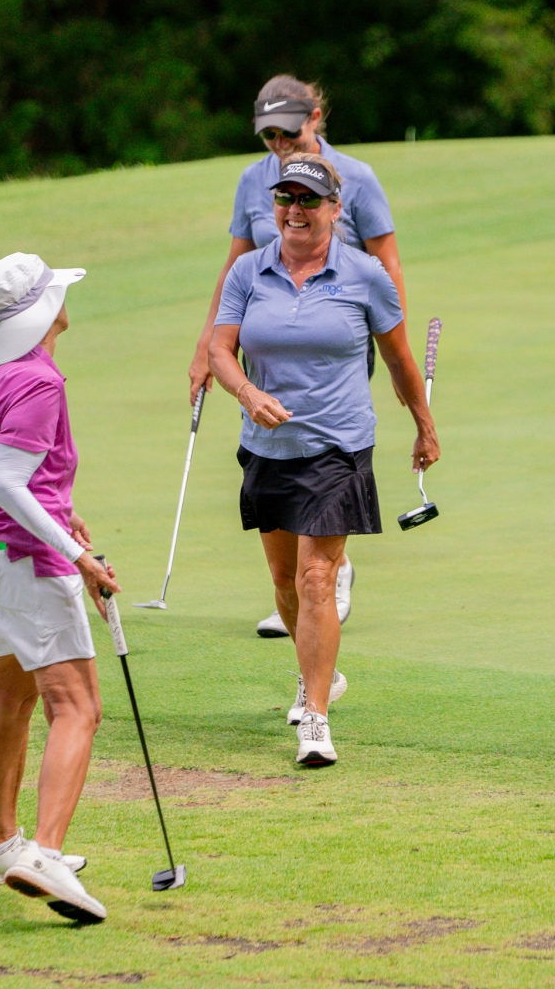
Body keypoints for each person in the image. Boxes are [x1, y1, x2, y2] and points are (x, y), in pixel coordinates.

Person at [208, 153, 439, 766]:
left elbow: (397, 357)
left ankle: (314, 717)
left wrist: (424, 426)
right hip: (267, 447)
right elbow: (220, 350)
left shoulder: (364, 274)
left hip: (338, 446)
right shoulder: (248, 272)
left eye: (309, 199)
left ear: (336, 209)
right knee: (285, 583)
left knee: (317, 577)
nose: (295, 209)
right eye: (285, 198)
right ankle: (319, 673)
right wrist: (247, 393)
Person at [189, 74, 407, 638]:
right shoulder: (252, 181)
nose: (280, 144)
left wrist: (393, 344)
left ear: (314, 118)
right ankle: (309, 578)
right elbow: (235, 266)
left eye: (288, 131)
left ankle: (325, 574)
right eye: (269, 136)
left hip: (338, 332)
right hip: (270, 329)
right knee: (280, 448)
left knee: (324, 452)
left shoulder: (356, 177)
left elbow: (387, 263)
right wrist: (209, 346)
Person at [0, 251, 120, 924]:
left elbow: (11, 478)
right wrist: (79, 555)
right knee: (78, 707)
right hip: (26, 562)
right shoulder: (39, 382)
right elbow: (7, 484)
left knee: (11, 700)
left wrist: (62, 513)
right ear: (46, 311)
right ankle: (44, 854)